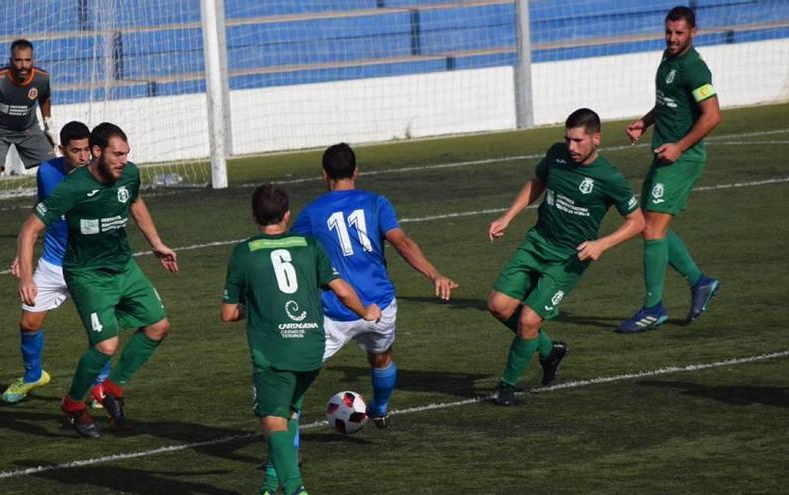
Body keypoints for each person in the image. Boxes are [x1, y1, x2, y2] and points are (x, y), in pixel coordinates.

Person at [16, 122, 178, 438]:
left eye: (126, 154)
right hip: (87, 274)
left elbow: (134, 202)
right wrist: (25, 275)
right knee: (106, 344)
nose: (123, 160)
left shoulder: (129, 175)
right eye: (117, 154)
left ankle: (110, 390)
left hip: (124, 267)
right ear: (97, 152)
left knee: (158, 327)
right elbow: (29, 229)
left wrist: (156, 243)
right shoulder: (73, 187)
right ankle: (74, 405)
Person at [221, 184, 381, 495]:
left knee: (272, 420)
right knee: (289, 411)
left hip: (275, 353)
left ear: (254, 215)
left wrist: (254, 306)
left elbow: (228, 313)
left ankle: (295, 490)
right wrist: (366, 311)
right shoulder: (309, 245)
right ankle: (269, 484)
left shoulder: (244, 252)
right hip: (311, 349)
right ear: (287, 215)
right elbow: (343, 290)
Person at [291, 143, 458, 427]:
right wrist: (434, 275)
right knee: (381, 357)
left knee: (294, 377)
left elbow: (293, 253)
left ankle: (286, 453)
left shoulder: (312, 213)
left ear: (324, 174)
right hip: (379, 306)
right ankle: (380, 408)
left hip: (336, 312)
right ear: (356, 171)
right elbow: (402, 244)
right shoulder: (377, 202)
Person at [487, 108, 644, 405]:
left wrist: (602, 244)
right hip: (537, 243)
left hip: (569, 258)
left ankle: (506, 386)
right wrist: (507, 217)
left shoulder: (609, 178)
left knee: (529, 320)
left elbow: (638, 222)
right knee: (498, 306)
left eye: (578, 141)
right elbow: (536, 183)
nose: (571, 147)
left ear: (596, 139)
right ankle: (549, 351)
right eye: (568, 140)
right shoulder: (557, 155)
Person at [617, 6, 722, 333]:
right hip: (665, 155)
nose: (673, 39)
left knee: (650, 230)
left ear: (694, 32)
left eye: (679, 33)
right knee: (649, 224)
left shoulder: (694, 68)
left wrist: (680, 146)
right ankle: (699, 282)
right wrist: (645, 122)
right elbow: (667, 101)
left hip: (682, 159)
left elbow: (713, 115)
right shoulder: (668, 58)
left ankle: (653, 308)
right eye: (669, 32)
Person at [3, 121, 112, 404]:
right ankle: (32, 376)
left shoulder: (103, 174)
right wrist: (23, 252)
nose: (84, 156)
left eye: (88, 149)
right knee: (28, 322)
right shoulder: (47, 172)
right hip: (53, 262)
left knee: (98, 329)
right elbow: (42, 210)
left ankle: (101, 389)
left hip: (88, 265)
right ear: (61, 149)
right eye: (76, 150)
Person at [0, 38, 57, 250]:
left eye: (27, 60)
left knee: (55, 175)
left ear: (32, 59)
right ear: (11, 59)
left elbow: (44, 99)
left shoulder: (42, 79)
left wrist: (49, 124)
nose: (23, 65)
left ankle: (42, 224)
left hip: (29, 131)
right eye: (18, 60)